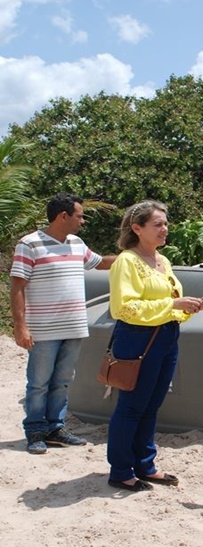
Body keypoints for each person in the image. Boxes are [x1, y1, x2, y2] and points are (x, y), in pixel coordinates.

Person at [105, 200, 203, 492]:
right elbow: (124, 308)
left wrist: (185, 308)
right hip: (138, 337)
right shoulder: (127, 261)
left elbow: (167, 303)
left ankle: (145, 465)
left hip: (165, 336)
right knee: (132, 406)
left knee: (151, 405)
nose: (165, 229)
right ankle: (121, 470)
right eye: (158, 224)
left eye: (165, 223)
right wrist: (173, 304)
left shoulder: (162, 261)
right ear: (137, 229)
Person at [11, 192, 116, 455]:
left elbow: (101, 263)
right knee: (39, 383)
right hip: (44, 329)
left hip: (74, 326)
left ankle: (56, 428)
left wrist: (131, 255)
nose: (83, 221)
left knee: (64, 381)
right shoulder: (30, 244)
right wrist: (20, 326)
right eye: (79, 216)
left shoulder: (77, 244)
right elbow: (17, 288)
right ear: (63, 216)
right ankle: (35, 431)